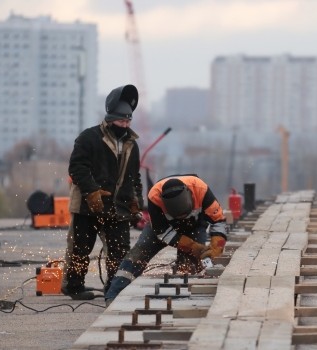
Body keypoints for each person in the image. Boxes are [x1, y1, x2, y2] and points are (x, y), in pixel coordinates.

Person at [62, 84, 144, 300]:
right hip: (86, 207)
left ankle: (114, 286)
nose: (124, 125)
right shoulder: (88, 138)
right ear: (109, 119)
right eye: (121, 121)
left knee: (119, 251)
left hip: (118, 209)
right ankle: (74, 286)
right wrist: (92, 192)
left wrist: (137, 201)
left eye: (128, 122)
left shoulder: (131, 145)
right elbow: (77, 167)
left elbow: (134, 176)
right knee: (80, 248)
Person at [104, 175, 228, 304]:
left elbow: (218, 220)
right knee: (139, 253)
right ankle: (113, 294)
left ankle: (183, 299)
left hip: (194, 226)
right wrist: (193, 247)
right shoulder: (154, 196)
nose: (182, 218)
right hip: (163, 227)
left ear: (190, 196)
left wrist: (217, 247)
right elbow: (163, 233)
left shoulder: (201, 189)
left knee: (189, 267)